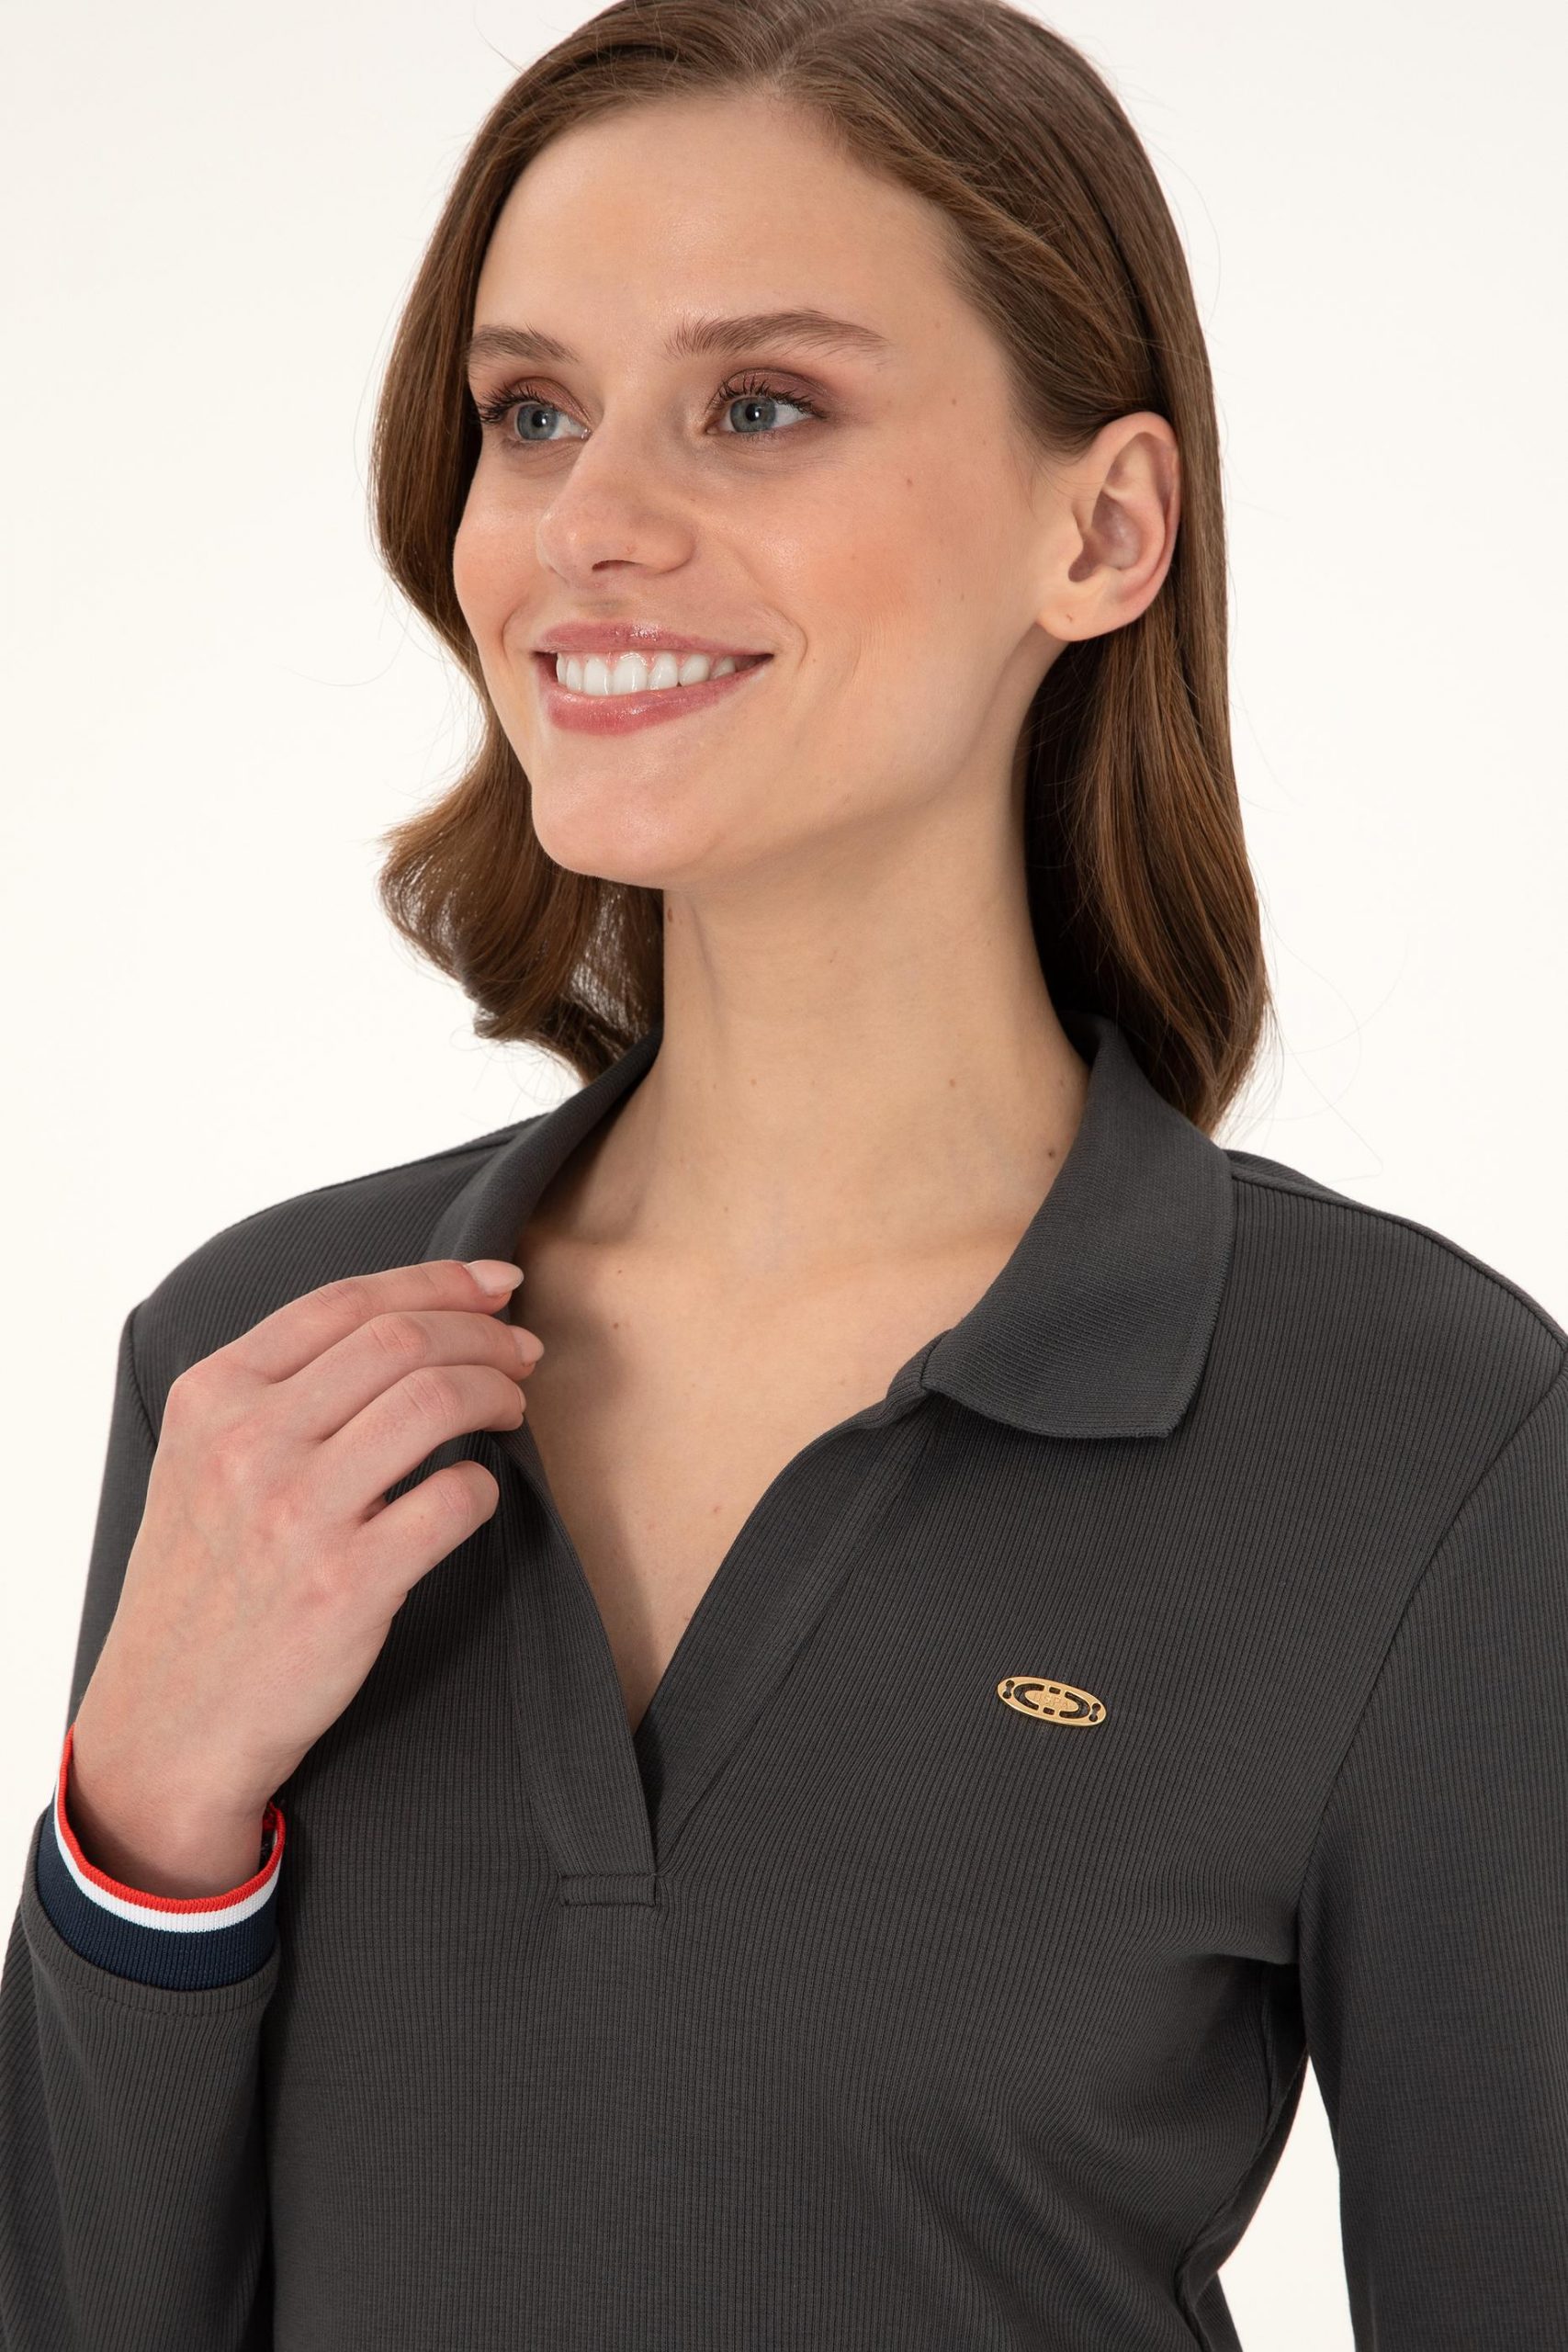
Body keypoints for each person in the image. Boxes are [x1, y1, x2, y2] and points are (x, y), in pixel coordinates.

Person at [3, 1, 1565, 2346]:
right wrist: (139, 1828)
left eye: (758, 405)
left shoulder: (1410, 1430)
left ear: (1098, 527)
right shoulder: (263, 1367)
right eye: (530, 411)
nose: (585, 525)